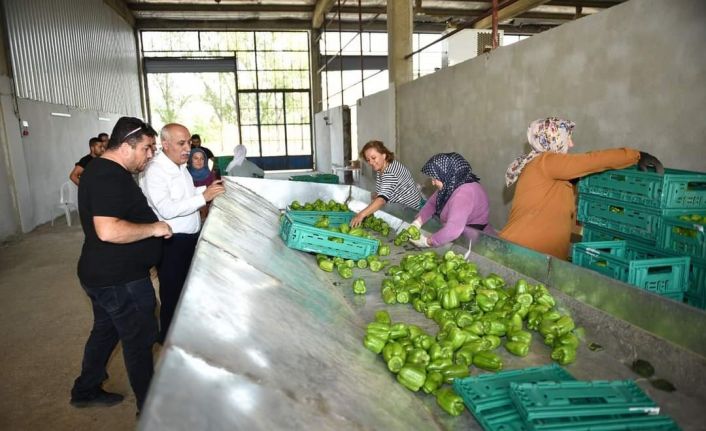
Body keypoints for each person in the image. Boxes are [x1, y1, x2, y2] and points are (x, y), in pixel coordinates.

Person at [71, 117, 172, 413]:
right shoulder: (107, 175)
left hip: (106, 274)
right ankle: (150, 410)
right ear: (127, 146)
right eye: (148, 148)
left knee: (105, 332)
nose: (151, 154)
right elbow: (108, 230)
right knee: (139, 340)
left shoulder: (105, 170)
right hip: (119, 280)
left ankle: (85, 389)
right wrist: (154, 229)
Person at [499, 117, 663, 259]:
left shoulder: (542, 165)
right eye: (567, 138)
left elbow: (580, 169)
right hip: (525, 251)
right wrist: (636, 155)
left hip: (530, 252)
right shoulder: (547, 162)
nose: (571, 143)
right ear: (553, 139)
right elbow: (591, 161)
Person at [141, 123, 226, 343]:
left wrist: (208, 190)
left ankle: (185, 335)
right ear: (165, 144)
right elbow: (167, 208)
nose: (187, 148)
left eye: (189, 142)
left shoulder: (179, 167)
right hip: (172, 243)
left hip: (189, 239)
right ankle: (169, 340)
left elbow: (185, 195)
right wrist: (203, 197)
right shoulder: (155, 171)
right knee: (172, 293)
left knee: (187, 290)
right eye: (182, 143)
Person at [408, 152, 495, 248]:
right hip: (461, 235)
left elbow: (453, 230)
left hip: (474, 241)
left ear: (447, 175)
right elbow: (432, 204)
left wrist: (428, 241)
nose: (433, 183)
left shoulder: (464, 194)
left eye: (435, 179)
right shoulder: (451, 184)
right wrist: (418, 222)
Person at [350, 140, 423, 227]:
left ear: (384, 155)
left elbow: (381, 200)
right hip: (401, 208)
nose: (371, 163)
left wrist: (361, 215)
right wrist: (378, 195)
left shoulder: (391, 172)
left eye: (374, 158)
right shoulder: (382, 168)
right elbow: (384, 192)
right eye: (368, 160)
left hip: (412, 212)